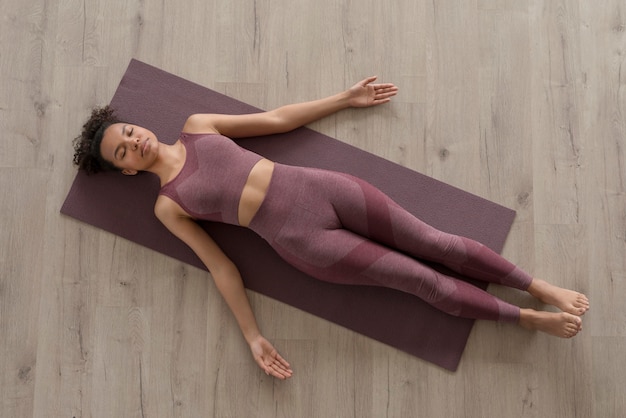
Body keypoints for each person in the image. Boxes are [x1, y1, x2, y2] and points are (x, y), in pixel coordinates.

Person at [73, 77, 589, 379]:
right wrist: (251, 336)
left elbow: (275, 121)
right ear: (126, 170)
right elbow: (221, 265)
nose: (134, 142)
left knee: (436, 242)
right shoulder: (168, 205)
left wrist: (344, 98)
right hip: (305, 243)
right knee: (421, 281)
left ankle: (537, 286)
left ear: (138, 126)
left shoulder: (197, 126)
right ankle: (524, 319)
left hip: (326, 189)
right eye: (123, 150)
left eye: (129, 131)